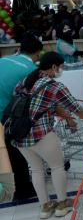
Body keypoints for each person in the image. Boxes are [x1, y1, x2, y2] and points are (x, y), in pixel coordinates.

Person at [11, 52, 83, 219]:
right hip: (42, 134)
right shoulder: (53, 86)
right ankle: (62, 205)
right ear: (53, 67)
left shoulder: (24, 82)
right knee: (57, 167)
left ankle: (45, 207)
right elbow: (74, 107)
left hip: (20, 135)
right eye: (61, 67)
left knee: (36, 170)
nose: (61, 70)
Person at [0, 33, 42, 201]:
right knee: (15, 150)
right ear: (38, 53)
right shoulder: (32, 70)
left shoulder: (4, 60)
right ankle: (22, 188)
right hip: (5, 115)